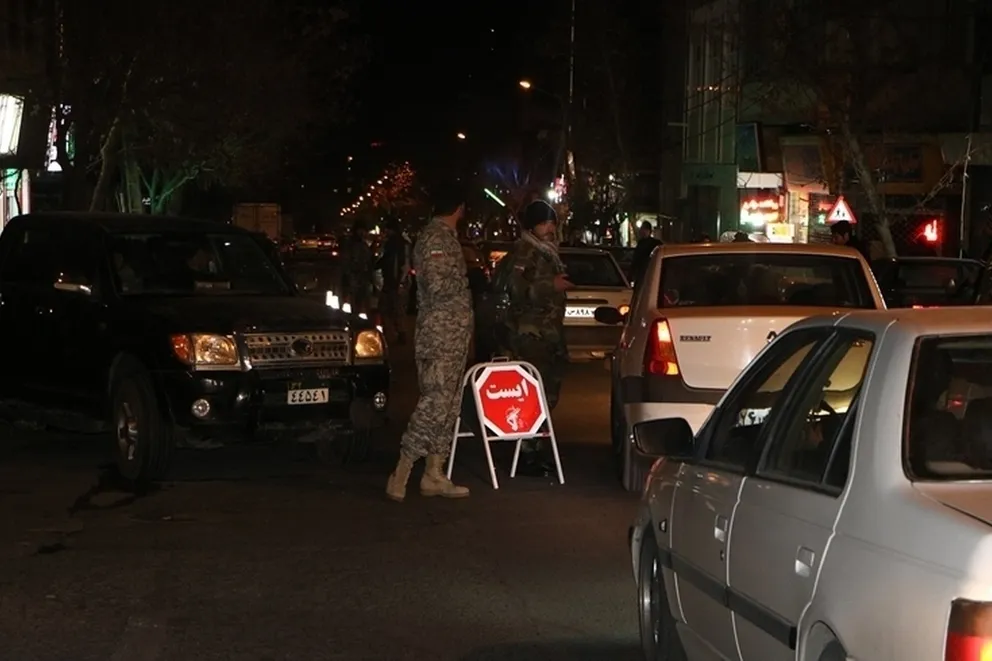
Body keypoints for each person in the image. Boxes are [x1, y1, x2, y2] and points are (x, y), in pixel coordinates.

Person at [386, 184, 473, 502]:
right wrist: (466, 282)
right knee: (434, 403)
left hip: (451, 336)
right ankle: (402, 470)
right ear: (459, 207)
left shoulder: (445, 237)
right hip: (439, 335)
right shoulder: (436, 238)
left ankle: (434, 473)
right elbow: (436, 284)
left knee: (448, 407)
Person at [496, 200, 574, 476]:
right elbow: (515, 289)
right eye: (544, 223)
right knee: (534, 395)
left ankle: (536, 446)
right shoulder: (524, 252)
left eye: (552, 223)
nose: (550, 228)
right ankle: (526, 451)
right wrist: (550, 285)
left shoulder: (547, 252)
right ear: (532, 226)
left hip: (548, 334)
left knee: (548, 394)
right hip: (530, 335)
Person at [376, 218, 410, 344]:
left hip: (394, 281)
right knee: (396, 310)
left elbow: (391, 262)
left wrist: (400, 282)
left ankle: (393, 334)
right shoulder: (401, 243)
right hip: (397, 281)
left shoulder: (394, 244)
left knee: (390, 309)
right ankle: (398, 333)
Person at [342, 220, 374, 314]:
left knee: (364, 302)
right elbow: (346, 261)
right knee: (356, 303)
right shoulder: (351, 244)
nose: (363, 233)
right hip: (355, 276)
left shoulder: (363, 244)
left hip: (363, 277)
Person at [629, 221, 661, 286]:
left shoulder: (655, 243)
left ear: (649, 231)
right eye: (642, 229)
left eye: (644, 230)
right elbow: (636, 260)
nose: (642, 232)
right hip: (642, 272)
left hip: (650, 271)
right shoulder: (641, 243)